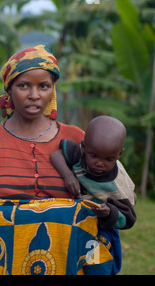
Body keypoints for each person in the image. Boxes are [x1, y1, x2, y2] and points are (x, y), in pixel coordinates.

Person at [0, 44, 117, 275]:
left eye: (43, 86)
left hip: (72, 263)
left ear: (52, 90)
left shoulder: (76, 139)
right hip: (6, 264)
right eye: (24, 85)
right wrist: (61, 212)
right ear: (10, 89)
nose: (34, 95)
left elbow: (99, 200)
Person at [50, 115, 136, 274]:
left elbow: (129, 218)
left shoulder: (119, 184)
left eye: (109, 159)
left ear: (119, 154)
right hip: (75, 223)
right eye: (94, 156)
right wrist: (68, 175)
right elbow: (56, 155)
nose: (100, 163)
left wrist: (109, 212)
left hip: (101, 229)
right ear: (84, 146)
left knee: (98, 266)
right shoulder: (81, 153)